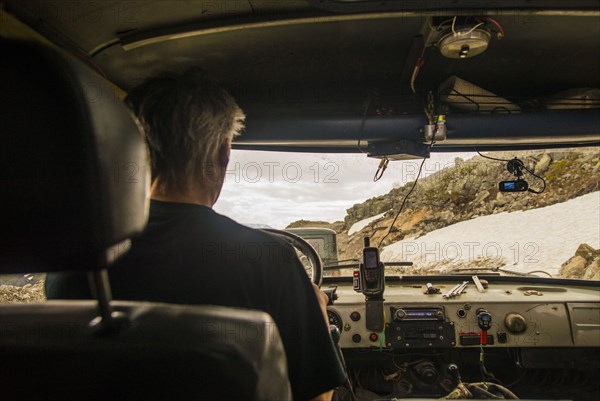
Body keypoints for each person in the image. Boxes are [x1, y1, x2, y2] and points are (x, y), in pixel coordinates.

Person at [45, 68, 345, 401]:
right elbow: (317, 397)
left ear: (135, 155)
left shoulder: (78, 264)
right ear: (222, 154)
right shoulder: (270, 260)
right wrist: (316, 318)